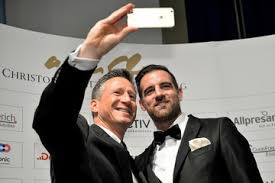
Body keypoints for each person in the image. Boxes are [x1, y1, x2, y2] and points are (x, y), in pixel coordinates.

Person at [33, 3, 147, 183]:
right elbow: (52, 120)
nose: (126, 100)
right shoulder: (80, 134)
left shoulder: (136, 166)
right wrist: (88, 54)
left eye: (132, 96)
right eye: (117, 93)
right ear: (94, 105)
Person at [134, 64, 263, 183]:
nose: (159, 94)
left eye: (165, 86)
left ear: (179, 93)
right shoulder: (140, 163)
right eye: (150, 91)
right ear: (142, 104)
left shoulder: (218, 130)